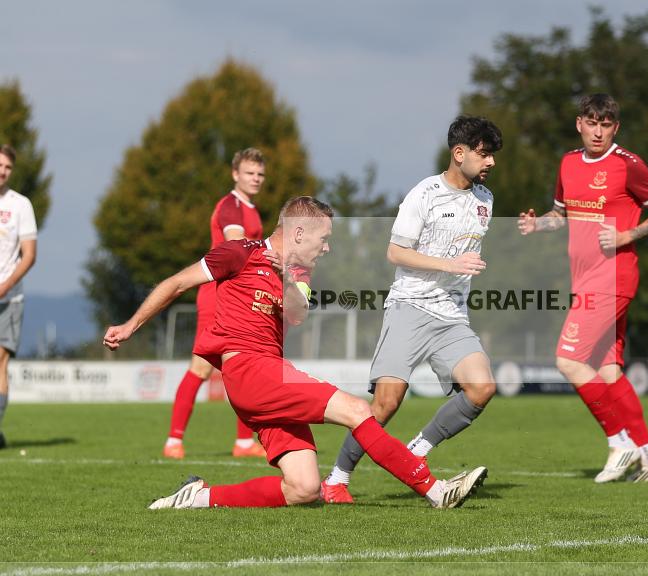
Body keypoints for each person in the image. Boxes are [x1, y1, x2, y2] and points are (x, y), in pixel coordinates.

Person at [104, 196, 487, 510]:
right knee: (357, 410)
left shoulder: (300, 273)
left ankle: (199, 497)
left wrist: (288, 274)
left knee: (303, 489)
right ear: (298, 231)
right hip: (251, 372)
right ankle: (436, 492)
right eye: (323, 237)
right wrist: (130, 325)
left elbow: (297, 313)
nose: (327, 246)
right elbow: (176, 283)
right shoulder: (240, 253)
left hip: (267, 378)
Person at [321, 116, 502, 504]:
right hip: (409, 307)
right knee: (385, 404)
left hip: (452, 315)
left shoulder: (486, 200)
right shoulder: (423, 195)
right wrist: (450, 266)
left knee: (482, 387)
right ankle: (336, 479)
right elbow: (395, 252)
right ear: (459, 153)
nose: (490, 163)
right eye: (484, 154)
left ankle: (416, 450)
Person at [517, 94, 648, 483]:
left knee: (568, 360)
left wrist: (627, 235)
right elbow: (561, 214)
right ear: (579, 124)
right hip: (584, 278)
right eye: (592, 123)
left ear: (615, 128)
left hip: (614, 276)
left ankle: (620, 442)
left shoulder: (628, 165)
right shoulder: (569, 162)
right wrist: (539, 224)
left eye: (606, 125)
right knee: (607, 370)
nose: (598, 131)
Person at [164, 148, 268, 459]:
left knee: (242, 366)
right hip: (217, 295)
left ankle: (243, 443)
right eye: (250, 173)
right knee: (201, 368)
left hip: (236, 295)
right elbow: (235, 242)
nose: (256, 179)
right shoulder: (231, 206)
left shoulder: (250, 208)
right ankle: (173, 441)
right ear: (235, 174)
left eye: (260, 174)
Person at [0, 145, 38, 450]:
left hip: (9, 299)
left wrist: (5, 285)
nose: (2, 171)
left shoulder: (20, 205)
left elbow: (29, 255)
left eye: (7, 167)